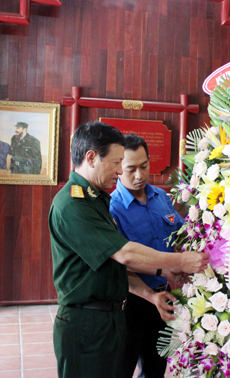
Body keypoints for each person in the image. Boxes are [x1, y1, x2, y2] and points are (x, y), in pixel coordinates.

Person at [48, 121, 209, 378]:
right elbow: (125, 254)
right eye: (117, 163)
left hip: (108, 316)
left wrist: (163, 271)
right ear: (91, 158)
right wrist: (180, 262)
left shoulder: (96, 199)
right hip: (88, 320)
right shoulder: (73, 204)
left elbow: (113, 264)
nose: (119, 171)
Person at [110, 134, 185, 378]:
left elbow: (182, 235)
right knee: (121, 368)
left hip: (163, 296)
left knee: (155, 368)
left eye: (144, 166)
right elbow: (121, 264)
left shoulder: (161, 198)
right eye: (131, 169)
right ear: (118, 168)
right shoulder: (112, 208)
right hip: (130, 301)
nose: (139, 175)